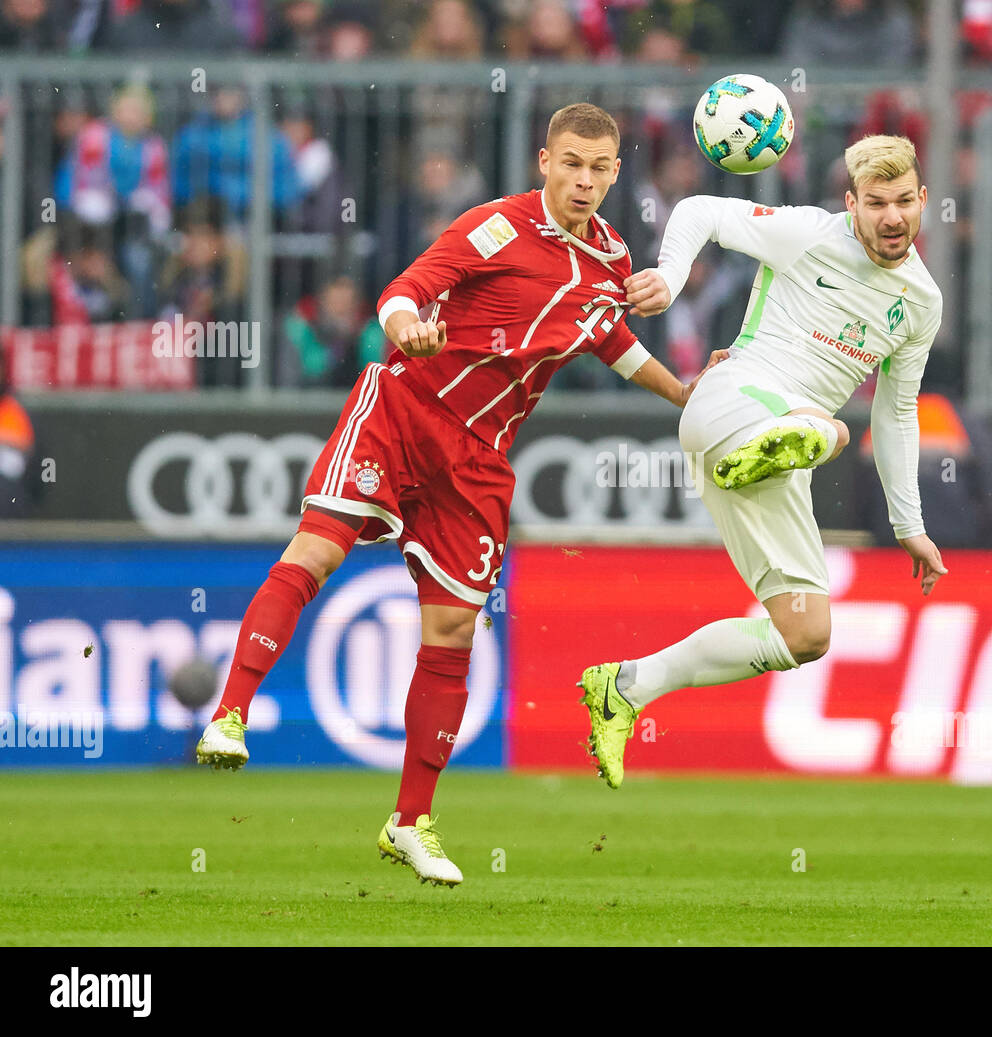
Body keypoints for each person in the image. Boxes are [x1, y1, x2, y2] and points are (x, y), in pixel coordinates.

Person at [194, 104, 725, 887]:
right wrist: (407, 326)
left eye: (598, 168)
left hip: (479, 457)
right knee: (317, 549)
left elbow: (607, 338)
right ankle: (231, 713)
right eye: (570, 163)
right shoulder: (496, 228)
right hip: (404, 408)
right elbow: (406, 289)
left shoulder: (612, 258)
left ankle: (410, 821)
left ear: (615, 174)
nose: (583, 179)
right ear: (544, 161)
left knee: (452, 631)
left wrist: (682, 393)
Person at [577, 134, 947, 789]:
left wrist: (908, 525)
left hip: (762, 459)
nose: (892, 217)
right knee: (829, 426)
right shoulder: (809, 234)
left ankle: (626, 687)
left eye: (902, 203)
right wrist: (669, 274)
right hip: (731, 400)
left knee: (805, 634)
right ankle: (789, 440)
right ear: (851, 205)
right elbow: (700, 211)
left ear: (923, 202)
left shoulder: (920, 302)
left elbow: (895, 413)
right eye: (876, 203)